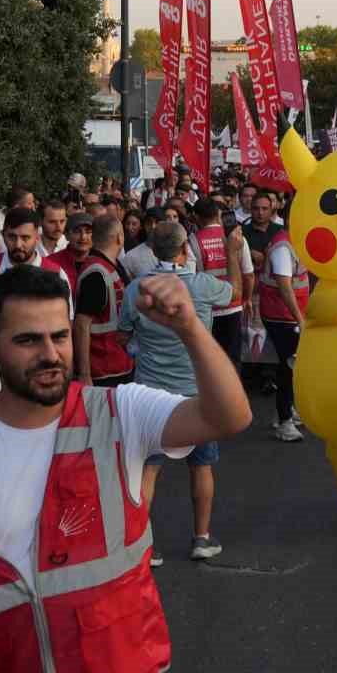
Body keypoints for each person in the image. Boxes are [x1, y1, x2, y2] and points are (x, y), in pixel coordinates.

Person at [0, 266, 253, 673]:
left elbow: (229, 417)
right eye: (28, 340)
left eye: (59, 337)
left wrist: (189, 328)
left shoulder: (120, 412)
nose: (49, 354)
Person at [120, 222, 233, 564]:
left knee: (148, 470)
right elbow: (237, 292)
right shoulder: (202, 285)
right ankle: (201, 538)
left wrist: (141, 350)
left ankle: (143, 545)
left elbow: (123, 335)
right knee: (201, 467)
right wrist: (233, 251)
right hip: (197, 393)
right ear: (186, 249)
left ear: (153, 250)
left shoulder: (137, 287)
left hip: (151, 394)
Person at [257, 201, 309, 442]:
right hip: (282, 316)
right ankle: (284, 421)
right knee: (289, 366)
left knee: (293, 366)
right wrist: (300, 318)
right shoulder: (283, 247)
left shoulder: (297, 243)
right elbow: (285, 286)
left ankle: (287, 410)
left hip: (290, 315)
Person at [189, 198, 251, 368]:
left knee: (210, 361)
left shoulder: (192, 242)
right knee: (232, 359)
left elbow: (190, 278)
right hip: (234, 306)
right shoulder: (237, 238)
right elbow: (249, 274)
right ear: (218, 215)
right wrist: (246, 298)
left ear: (197, 217)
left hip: (207, 310)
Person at [75, 215, 135, 386]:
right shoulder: (96, 273)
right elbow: (81, 324)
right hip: (103, 369)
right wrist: (84, 374)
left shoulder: (111, 265)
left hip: (117, 362)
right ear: (119, 237)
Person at [47, 211, 95, 290]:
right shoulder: (51, 263)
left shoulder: (102, 263)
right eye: (77, 231)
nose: (83, 237)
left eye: (88, 231)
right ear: (66, 235)